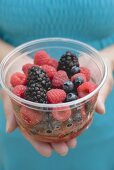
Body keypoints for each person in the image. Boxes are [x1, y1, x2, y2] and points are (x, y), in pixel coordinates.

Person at [0, 1, 114, 170]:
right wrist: (5, 55)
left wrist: (108, 58)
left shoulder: (75, 81)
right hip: (20, 118)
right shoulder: (39, 82)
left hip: (101, 121)